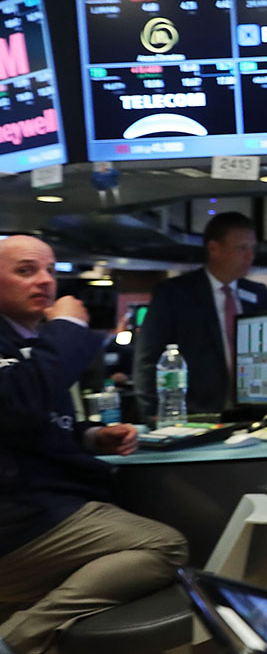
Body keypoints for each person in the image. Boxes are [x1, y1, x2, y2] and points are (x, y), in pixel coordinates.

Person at [0, 236, 188, 654]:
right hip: (19, 519)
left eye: (50, 270)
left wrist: (89, 435)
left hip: (35, 508)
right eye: (26, 270)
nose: (45, 281)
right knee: (164, 544)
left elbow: (32, 422)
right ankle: (15, 640)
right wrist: (67, 328)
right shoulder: (36, 339)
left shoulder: (29, 340)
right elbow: (18, 406)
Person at [133, 212, 267, 421]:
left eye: (252, 248)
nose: (250, 256)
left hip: (254, 415)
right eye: (241, 248)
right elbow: (148, 359)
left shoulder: (261, 295)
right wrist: (153, 412)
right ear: (214, 248)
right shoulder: (175, 294)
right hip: (196, 415)